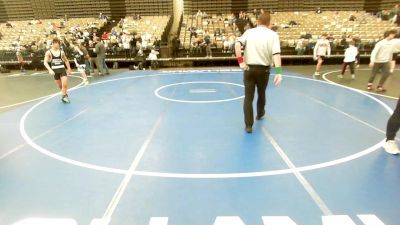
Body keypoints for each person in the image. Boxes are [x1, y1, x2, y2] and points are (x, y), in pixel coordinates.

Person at [235, 12, 282, 133]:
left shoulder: (249, 32)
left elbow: (237, 44)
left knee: (248, 98)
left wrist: (241, 62)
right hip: (264, 70)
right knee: (261, 93)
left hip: (249, 69)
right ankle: (260, 114)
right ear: (269, 24)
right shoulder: (273, 35)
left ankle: (249, 125)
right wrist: (278, 72)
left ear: (257, 22)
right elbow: (276, 54)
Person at [43, 38, 72, 103]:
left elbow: (66, 60)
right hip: (55, 71)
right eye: (55, 44)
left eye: (58, 44)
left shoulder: (61, 52)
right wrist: (50, 70)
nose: (57, 46)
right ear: (52, 44)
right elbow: (45, 62)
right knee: (60, 86)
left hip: (62, 69)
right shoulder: (49, 52)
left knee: (64, 84)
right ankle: (64, 94)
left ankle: (64, 97)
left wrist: (69, 68)